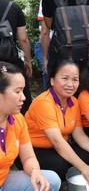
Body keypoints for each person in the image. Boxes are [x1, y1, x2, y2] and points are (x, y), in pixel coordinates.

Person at [17, 59, 89, 185]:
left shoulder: (74, 101)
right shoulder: (44, 102)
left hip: (58, 148)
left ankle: (79, 175)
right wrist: (83, 167)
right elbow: (57, 141)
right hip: (33, 150)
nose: (70, 84)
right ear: (52, 80)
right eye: (65, 78)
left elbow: (79, 134)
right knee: (62, 166)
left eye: (75, 79)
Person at [0, 61, 61, 191]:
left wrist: (35, 172)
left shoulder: (18, 120)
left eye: (23, 90)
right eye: (17, 92)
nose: (23, 97)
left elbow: (28, 157)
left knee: (51, 180)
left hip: (3, 180)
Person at [41, 0, 89, 81]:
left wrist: (45, 58)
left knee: (61, 88)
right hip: (88, 51)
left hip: (61, 53)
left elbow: (49, 24)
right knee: (88, 88)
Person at [0, 0, 32, 115]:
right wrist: (28, 60)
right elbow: (23, 38)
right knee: (21, 98)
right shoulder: (13, 7)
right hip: (10, 61)